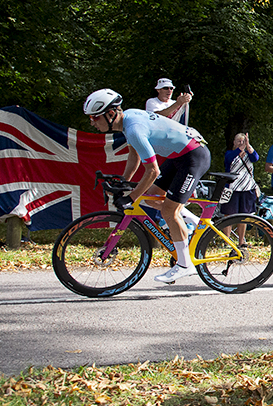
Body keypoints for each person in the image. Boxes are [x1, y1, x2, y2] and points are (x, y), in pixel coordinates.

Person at [83, 89, 209, 284]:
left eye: (94, 117)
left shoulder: (133, 128)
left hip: (193, 156)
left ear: (110, 114)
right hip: (180, 156)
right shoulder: (128, 121)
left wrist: (131, 197)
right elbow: (134, 155)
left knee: (169, 211)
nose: (92, 122)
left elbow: (153, 171)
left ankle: (185, 265)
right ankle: (192, 221)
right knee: (152, 196)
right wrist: (123, 181)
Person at [221, 132, 260, 246]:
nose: (241, 144)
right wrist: (239, 150)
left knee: (243, 215)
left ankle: (241, 240)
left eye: (243, 141)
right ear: (234, 142)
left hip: (246, 188)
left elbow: (256, 158)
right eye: (239, 141)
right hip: (232, 188)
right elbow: (228, 160)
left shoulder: (249, 154)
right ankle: (226, 241)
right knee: (228, 214)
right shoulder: (230, 153)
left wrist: (248, 147)